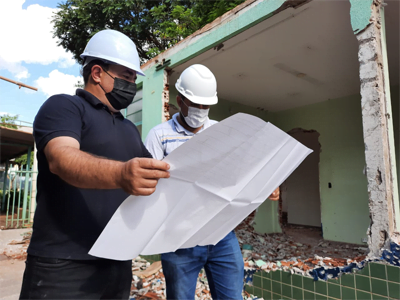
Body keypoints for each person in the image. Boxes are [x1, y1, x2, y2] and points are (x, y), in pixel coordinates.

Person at [19, 29, 170, 300]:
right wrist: (122, 173)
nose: (132, 84)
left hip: (116, 262)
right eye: (126, 76)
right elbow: (61, 159)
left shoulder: (128, 129)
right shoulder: (64, 107)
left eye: (134, 78)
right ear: (97, 73)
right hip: (63, 266)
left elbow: (158, 173)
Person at [145, 64, 279, 300]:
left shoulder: (221, 131)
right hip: (179, 239)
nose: (200, 110)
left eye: (205, 105)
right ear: (180, 100)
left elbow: (242, 170)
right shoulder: (159, 135)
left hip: (221, 235)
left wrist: (266, 183)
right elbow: (150, 187)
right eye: (195, 104)